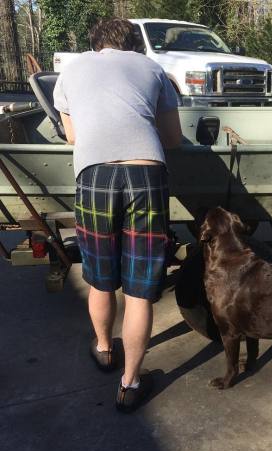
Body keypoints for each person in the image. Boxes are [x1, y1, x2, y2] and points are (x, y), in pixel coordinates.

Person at [53, 18, 182, 412]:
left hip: (95, 175)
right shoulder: (154, 69)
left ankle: (106, 349)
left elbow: (73, 137)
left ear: (95, 45)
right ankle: (130, 383)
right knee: (140, 288)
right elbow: (174, 138)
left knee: (100, 277)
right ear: (133, 45)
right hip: (146, 174)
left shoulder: (71, 70)